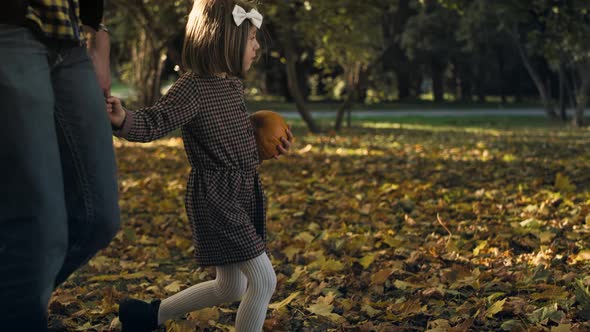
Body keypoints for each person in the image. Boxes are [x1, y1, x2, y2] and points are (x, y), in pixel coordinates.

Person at [105, 0, 293, 331]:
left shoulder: (231, 83)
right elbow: (157, 120)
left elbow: (227, 137)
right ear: (226, 40)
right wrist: (123, 119)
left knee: (231, 286)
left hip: (242, 190)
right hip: (217, 198)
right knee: (264, 282)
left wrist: (262, 147)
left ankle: (147, 317)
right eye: (250, 39)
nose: (257, 47)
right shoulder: (193, 87)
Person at [0, 0, 120, 330]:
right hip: (9, 28)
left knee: (98, 217)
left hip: (68, 34)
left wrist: (98, 32)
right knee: (38, 228)